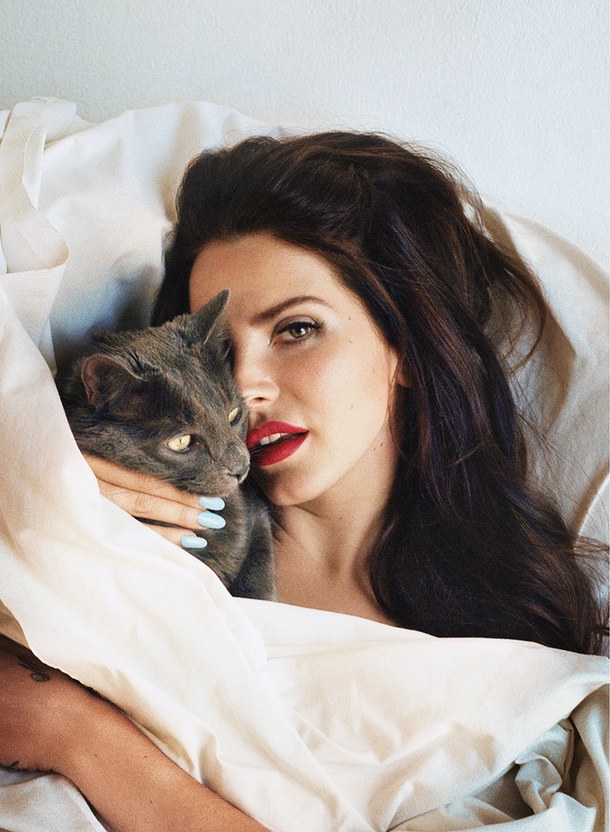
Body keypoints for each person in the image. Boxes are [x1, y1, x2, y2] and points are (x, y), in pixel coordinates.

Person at [0, 132, 606, 830]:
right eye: (222, 351)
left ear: (404, 345)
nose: (245, 386)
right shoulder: (131, 536)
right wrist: (45, 513)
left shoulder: (519, 627)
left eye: (295, 330)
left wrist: (77, 734)